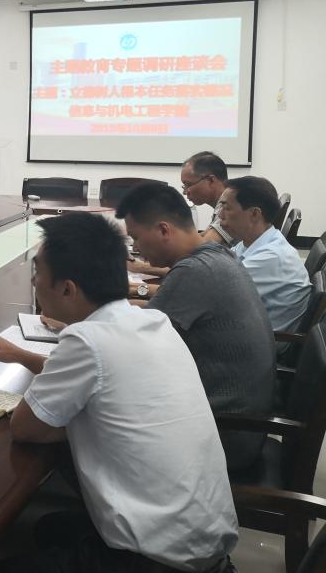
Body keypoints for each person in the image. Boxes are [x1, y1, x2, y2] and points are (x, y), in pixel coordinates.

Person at [0, 212, 237, 572]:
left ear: (67, 289)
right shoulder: (152, 321)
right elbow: (105, 382)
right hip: (201, 538)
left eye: (37, 274)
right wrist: (18, 355)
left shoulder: (86, 340)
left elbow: (26, 428)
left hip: (153, 561)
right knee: (49, 528)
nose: (33, 282)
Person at [115, 183, 274, 470]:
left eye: (136, 237)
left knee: (87, 419)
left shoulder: (194, 271)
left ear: (164, 230)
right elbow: (151, 320)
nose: (135, 248)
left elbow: (131, 349)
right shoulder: (216, 254)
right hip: (240, 425)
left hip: (222, 436)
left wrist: (77, 319)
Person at [217, 175, 311, 336]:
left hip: (262, 343)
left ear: (254, 214)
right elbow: (219, 266)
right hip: (250, 330)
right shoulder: (251, 241)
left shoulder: (272, 257)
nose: (220, 214)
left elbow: (210, 292)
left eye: (226, 208)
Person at [181, 151, 235, 245]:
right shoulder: (220, 207)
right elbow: (203, 236)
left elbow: (204, 246)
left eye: (188, 185)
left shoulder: (231, 206)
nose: (185, 192)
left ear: (211, 180)